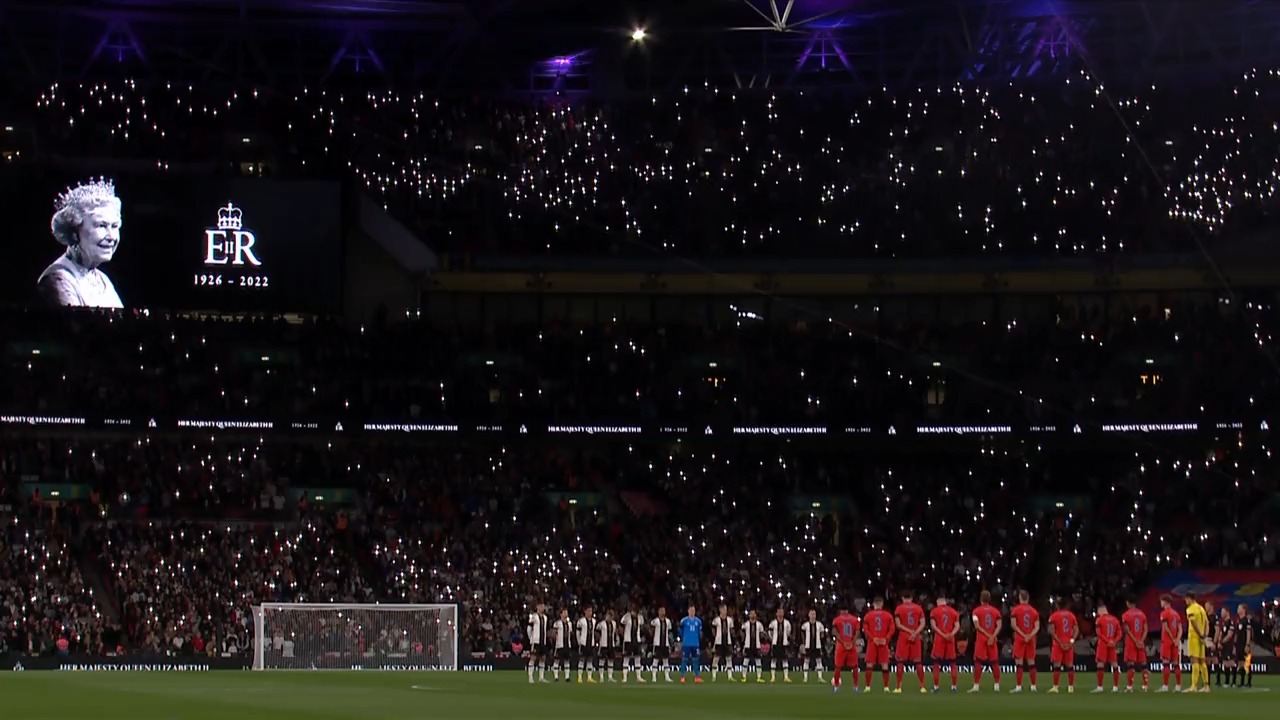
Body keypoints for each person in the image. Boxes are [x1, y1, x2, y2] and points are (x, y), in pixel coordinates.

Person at [39, 177, 125, 308]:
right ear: (74, 232)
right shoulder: (58, 279)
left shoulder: (103, 280)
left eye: (114, 226)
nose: (111, 236)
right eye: (101, 225)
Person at [893, 590, 926, 693]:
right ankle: (922, 687)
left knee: (900, 662)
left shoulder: (899, 608)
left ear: (903, 598)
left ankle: (898, 687)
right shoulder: (918, 608)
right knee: (918, 662)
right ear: (911, 598)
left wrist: (909, 631)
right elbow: (923, 623)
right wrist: (915, 633)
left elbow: (898, 625)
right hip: (915, 636)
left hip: (904, 636)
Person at [970, 590, 1002, 692]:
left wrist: (988, 635)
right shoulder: (996, 611)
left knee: (978, 662)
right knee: (995, 662)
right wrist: (993, 636)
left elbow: (977, 626)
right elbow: (999, 625)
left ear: (981, 599)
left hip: (981, 638)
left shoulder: (976, 611)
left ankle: (976, 686)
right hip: (992, 638)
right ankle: (996, 685)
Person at [1009, 590, 1039, 693]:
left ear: (1020, 598)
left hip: (1020, 638)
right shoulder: (1034, 611)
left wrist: (1022, 635)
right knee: (1031, 663)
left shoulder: (1015, 610)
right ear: (1028, 598)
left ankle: (1018, 686)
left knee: (1019, 663)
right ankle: (1033, 686)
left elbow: (1013, 625)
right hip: (1030, 639)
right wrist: (1030, 635)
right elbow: (1037, 627)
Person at [929, 594, 960, 693]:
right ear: (945, 601)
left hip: (939, 639)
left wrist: (943, 634)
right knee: (952, 663)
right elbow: (957, 626)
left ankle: (936, 687)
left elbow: (934, 626)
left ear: (938, 602)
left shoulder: (934, 611)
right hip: (950, 639)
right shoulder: (953, 611)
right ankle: (954, 687)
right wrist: (951, 634)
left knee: (936, 663)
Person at [863, 596, 895, 692]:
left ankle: (868, 687)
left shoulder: (868, 616)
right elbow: (892, 629)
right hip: (883, 642)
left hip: (872, 642)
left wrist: (873, 638)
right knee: (884, 664)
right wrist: (886, 638)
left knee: (869, 664)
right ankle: (886, 687)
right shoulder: (888, 615)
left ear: (873, 604)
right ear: (882, 604)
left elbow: (865, 629)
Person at [1047, 598, 1078, 693]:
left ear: (1057, 605)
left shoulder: (1054, 616)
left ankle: (1056, 687)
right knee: (1070, 666)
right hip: (1068, 643)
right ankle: (1070, 687)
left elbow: (1051, 631)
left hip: (1058, 643)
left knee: (1057, 665)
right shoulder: (1071, 616)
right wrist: (1071, 641)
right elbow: (1076, 630)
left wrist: (1060, 642)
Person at [1121, 596, 1150, 692]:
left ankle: (1130, 687)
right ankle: (1145, 686)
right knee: (1143, 663)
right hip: (1141, 641)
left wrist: (1135, 641)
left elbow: (1127, 630)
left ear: (1128, 603)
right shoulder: (1142, 614)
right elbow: (1146, 629)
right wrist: (1141, 640)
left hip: (1131, 642)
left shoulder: (1126, 615)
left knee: (1130, 664)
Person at [1093, 602, 1123, 693]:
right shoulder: (1115, 619)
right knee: (1114, 664)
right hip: (1113, 645)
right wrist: (1114, 641)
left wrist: (1107, 641)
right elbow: (1120, 634)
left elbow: (1099, 633)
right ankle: (1115, 687)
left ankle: (1100, 687)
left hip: (1103, 644)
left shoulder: (1099, 620)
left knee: (1100, 664)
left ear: (1099, 610)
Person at [831, 604, 861, 693]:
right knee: (855, 667)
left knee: (837, 667)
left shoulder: (836, 620)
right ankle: (855, 687)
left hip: (841, 645)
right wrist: (852, 642)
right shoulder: (855, 619)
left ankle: (836, 687)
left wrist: (843, 642)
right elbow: (857, 632)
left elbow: (834, 631)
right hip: (851, 645)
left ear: (840, 611)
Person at [1157, 594, 1183, 692]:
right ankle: (1178, 686)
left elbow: (1166, 627)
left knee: (1166, 663)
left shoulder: (1164, 613)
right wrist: (1177, 639)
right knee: (1176, 664)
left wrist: (1172, 638)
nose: (1161, 603)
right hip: (1175, 642)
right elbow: (1180, 629)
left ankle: (1165, 686)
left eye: (1162, 601)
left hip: (1167, 641)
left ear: (1166, 602)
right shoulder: (1176, 614)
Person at [1184, 592, 1209, 692]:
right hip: (1201, 638)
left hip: (1194, 637)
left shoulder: (1190, 609)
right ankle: (1206, 686)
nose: (1186, 602)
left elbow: (1193, 623)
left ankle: (1194, 686)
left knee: (1194, 661)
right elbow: (1207, 623)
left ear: (1189, 599)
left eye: (1186, 599)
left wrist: (1200, 634)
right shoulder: (1201, 608)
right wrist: (1204, 635)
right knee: (1202, 661)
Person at [620, 604, 645, 683]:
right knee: (626, 658)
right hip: (628, 640)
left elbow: (641, 627)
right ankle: (624, 677)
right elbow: (621, 625)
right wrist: (623, 635)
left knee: (637, 658)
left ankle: (638, 677)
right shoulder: (626, 616)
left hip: (636, 640)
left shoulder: (640, 617)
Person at [679, 605, 704, 684]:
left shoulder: (698, 621)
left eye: (694, 610)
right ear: (688, 611)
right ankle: (682, 677)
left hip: (695, 643)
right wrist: (684, 638)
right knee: (684, 660)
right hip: (686, 643)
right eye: (691, 610)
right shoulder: (684, 620)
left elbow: (700, 633)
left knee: (696, 660)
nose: (692, 612)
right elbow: (680, 631)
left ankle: (697, 677)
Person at [711, 604, 736, 682]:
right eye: (724, 609)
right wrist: (715, 638)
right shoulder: (716, 620)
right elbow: (713, 630)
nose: (725, 611)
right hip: (719, 642)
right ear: (720, 610)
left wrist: (733, 638)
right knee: (716, 659)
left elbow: (732, 631)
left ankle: (730, 676)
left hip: (727, 642)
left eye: (726, 609)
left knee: (729, 659)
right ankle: (714, 676)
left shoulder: (730, 620)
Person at [771, 607, 796, 683]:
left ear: (783, 613)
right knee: (774, 660)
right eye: (779, 612)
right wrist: (773, 639)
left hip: (784, 644)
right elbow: (770, 632)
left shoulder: (787, 623)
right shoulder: (773, 623)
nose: (780, 614)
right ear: (776, 614)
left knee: (785, 660)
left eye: (781, 612)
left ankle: (786, 677)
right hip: (775, 644)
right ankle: (773, 677)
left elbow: (788, 633)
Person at [526, 602, 549, 684]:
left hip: (543, 641)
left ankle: (541, 677)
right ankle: (530, 677)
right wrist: (531, 638)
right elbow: (529, 629)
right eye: (541, 606)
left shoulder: (545, 618)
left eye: (543, 606)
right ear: (537, 607)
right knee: (533, 658)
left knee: (543, 658)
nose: (543, 607)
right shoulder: (534, 617)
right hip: (535, 641)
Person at [797, 608, 822, 683]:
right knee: (806, 660)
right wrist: (804, 643)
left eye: (814, 614)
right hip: (808, 645)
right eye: (811, 614)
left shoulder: (819, 624)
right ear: (808, 615)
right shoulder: (805, 625)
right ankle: (805, 677)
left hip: (817, 645)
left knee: (818, 661)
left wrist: (819, 639)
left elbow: (822, 634)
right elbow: (802, 634)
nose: (813, 616)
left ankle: (820, 677)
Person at [1231, 604, 1253, 688]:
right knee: (1240, 663)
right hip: (1239, 645)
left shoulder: (1246, 621)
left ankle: (1249, 682)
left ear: (1243, 610)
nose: (1237, 609)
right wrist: (1234, 644)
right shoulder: (1238, 621)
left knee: (1246, 664)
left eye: (1239, 608)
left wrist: (1247, 644)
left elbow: (1248, 633)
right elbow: (1237, 634)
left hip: (1244, 644)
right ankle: (1242, 682)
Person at [741, 608, 766, 683]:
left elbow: (762, 635)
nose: (752, 615)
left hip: (757, 645)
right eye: (751, 613)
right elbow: (742, 633)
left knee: (758, 662)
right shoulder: (745, 624)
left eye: (753, 613)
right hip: (748, 645)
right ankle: (744, 677)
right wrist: (743, 642)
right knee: (746, 661)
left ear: (756, 615)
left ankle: (759, 677)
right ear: (749, 615)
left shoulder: (759, 624)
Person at [650, 607, 674, 683]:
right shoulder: (656, 621)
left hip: (665, 643)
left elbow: (669, 631)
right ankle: (654, 676)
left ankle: (667, 676)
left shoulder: (668, 621)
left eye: (663, 611)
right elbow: (651, 627)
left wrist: (670, 643)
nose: (662, 612)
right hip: (657, 643)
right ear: (658, 612)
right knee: (656, 660)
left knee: (666, 660)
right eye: (661, 611)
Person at [575, 606, 597, 683]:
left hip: (591, 643)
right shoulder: (581, 621)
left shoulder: (594, 621)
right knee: (582, 660)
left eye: (591, 611)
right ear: (585, 611)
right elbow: (577, 632)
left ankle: (589, 677)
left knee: (590, 660)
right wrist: (579, 642)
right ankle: (580, 677)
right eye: (588, 611)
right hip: (583, 643)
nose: (590, 613)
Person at [552, 608, 574, 683]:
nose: (566, 613)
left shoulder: (569, 624)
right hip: (559, 645)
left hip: (567, 645)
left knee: (567, 660)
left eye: (566, 612)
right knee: (557, 660)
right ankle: (556, 676)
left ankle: (567, 677)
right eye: (564, 612)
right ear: (561, 614)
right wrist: (556, 641)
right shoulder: (557, 623)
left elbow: (570, 633)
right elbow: (554, 634)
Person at [1215, 606, 1232, 687]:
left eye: (1223, 611)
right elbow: (1221, 633)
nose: (1221, 613)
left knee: (1228, 663)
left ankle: (1228, 682)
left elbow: (1229, 635)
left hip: (1228, 646)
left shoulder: (1230, 622)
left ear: (1227, 612)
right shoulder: (1223, 623)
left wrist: (1221, 642)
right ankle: (1225, 682)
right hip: (1222, 646)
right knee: (1223, 663)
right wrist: (1219, 641)